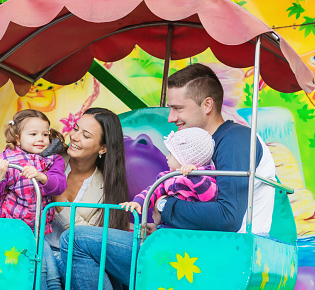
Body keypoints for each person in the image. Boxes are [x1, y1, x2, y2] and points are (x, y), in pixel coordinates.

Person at [59, 63, 277, 289]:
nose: (171, 117)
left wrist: (164, 207)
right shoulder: (207, 145)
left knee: (76, 240)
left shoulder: (235, 140)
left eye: (178, 108)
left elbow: (227, 216)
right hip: (191, 248)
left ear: (207, 105)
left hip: (217, 258)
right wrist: (163, 225)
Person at [0, 109, 67, 290]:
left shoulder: (53, 160)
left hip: (40, 230)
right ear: (18, 138)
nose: (41, 139)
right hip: (14, 230)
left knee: (50, 273)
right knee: (35, 272)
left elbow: (59, 185)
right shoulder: (7, 160)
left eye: (45, 134)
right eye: (33, 134)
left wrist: (42, 177)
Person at [45, 107, 130, 290]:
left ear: (103, 147)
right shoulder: (49, 159)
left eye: (86, 135)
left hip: (73, 260)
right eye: (76, 128)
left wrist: (58, 197)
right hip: (39, 249)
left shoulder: (106, 188)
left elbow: (87, 238)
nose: (74, 137)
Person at [120, 127, 217, 234]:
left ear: (184, 158)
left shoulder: (204, 178)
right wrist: (138, 202)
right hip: (168, 229)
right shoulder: (168, 177)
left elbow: (209, 197)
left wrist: (194, 176)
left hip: (192, 233)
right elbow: (152, 191)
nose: (167, 157)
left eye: (170, 153)